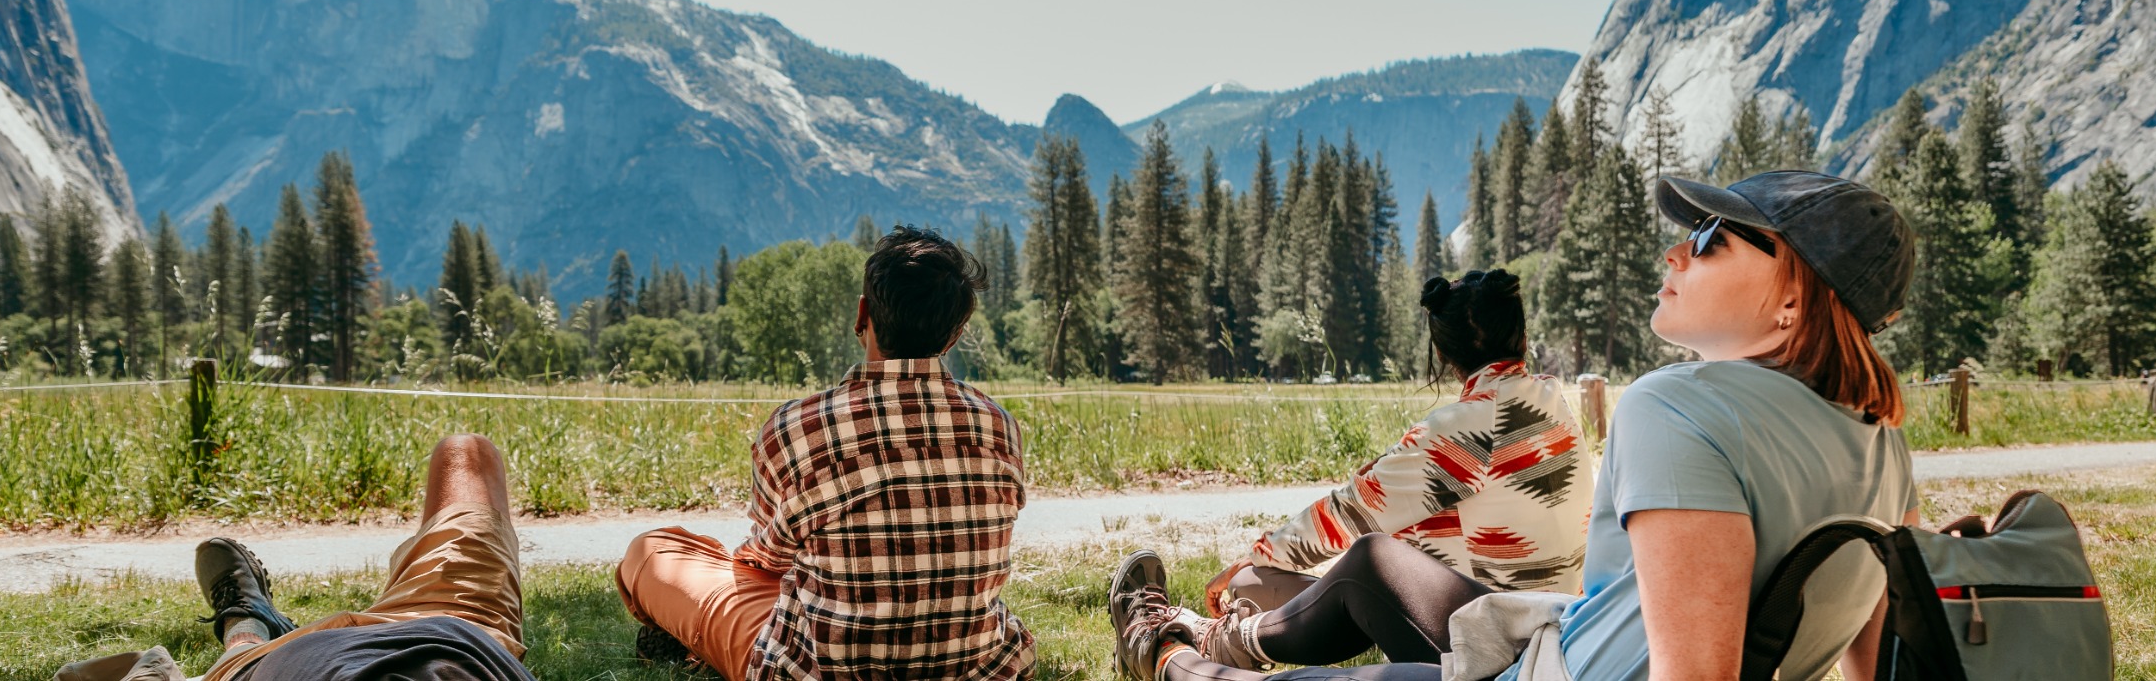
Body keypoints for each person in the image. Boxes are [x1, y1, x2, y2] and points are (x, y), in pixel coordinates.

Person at [1111, 169, 1921, 681]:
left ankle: (1166, 646)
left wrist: (1256, 560)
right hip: (1553, 641)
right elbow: (1877, 662)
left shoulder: (1676, 408)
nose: (1678, 252)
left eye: (1712, 238)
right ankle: (1175, 640)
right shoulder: (1882, 442)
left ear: (1793, 300)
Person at [1115, 269, 1593, 676]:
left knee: (1314, 572)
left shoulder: (1466, 430)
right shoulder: (1553, 402)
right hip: (1545, 628)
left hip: (1491, 645)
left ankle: (1205, 643)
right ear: (1522, 337)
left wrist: (1258, 553)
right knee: (1291, 580)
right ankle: (1221, 637)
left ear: (1443, 355)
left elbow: (1350, 513)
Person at [614, 225, 1035, 681]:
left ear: (862, 315)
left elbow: (766, 559)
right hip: (974, 670)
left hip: (819, 672)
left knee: (653, 550)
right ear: (952, 337)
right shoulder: (999, 427)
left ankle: (685, 625)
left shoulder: (796, 427)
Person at [165, 433, 535, 681]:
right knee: (466, 453)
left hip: (280, 667)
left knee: (241, 654)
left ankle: (247, 620)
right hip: (450, 631)